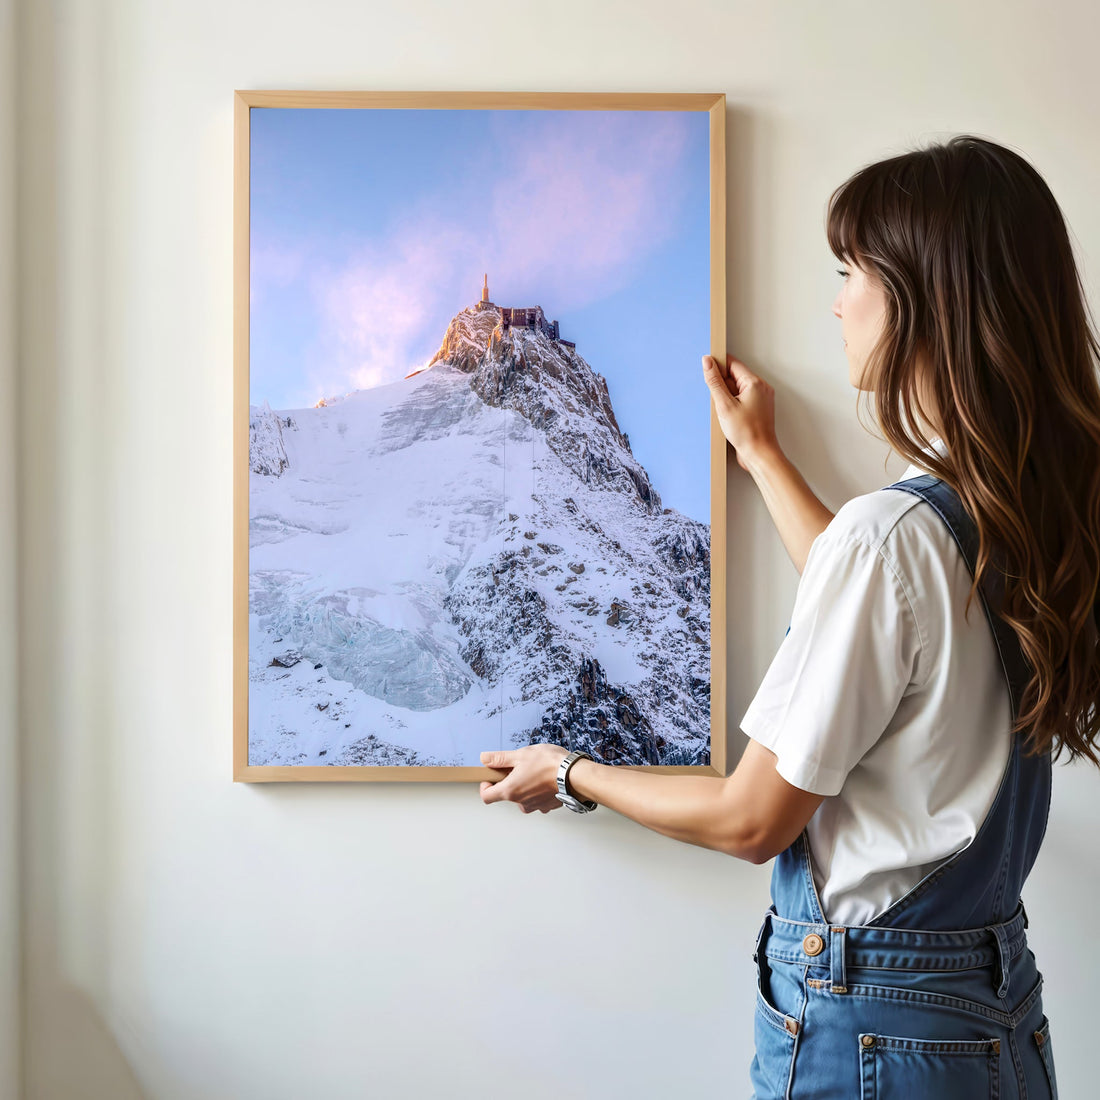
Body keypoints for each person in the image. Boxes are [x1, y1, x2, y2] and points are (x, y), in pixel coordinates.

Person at [477, 134, 1100, 1098]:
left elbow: (750, 820)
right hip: (990, 1018)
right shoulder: (1022, 513)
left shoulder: (895, 537)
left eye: (852, 273)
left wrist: (567, 772)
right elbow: (884, 620)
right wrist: (764, 456)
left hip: (874, 1031)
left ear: (924, 300)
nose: (838, 302)